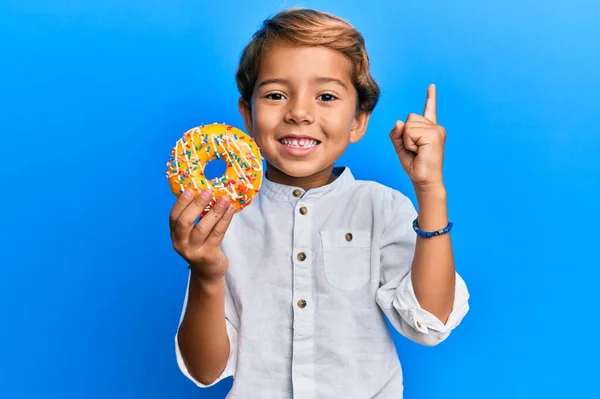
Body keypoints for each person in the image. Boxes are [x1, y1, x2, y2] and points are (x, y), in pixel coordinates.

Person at [169, 7, 470, 398]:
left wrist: (430, 190)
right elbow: (204, 371)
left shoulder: (381, 208)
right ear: (248, 114)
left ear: (358, 120)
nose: (299, 112)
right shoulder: (224, 219)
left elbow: (429, 323)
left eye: (326, 96)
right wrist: (205, 273)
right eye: (276, 95)